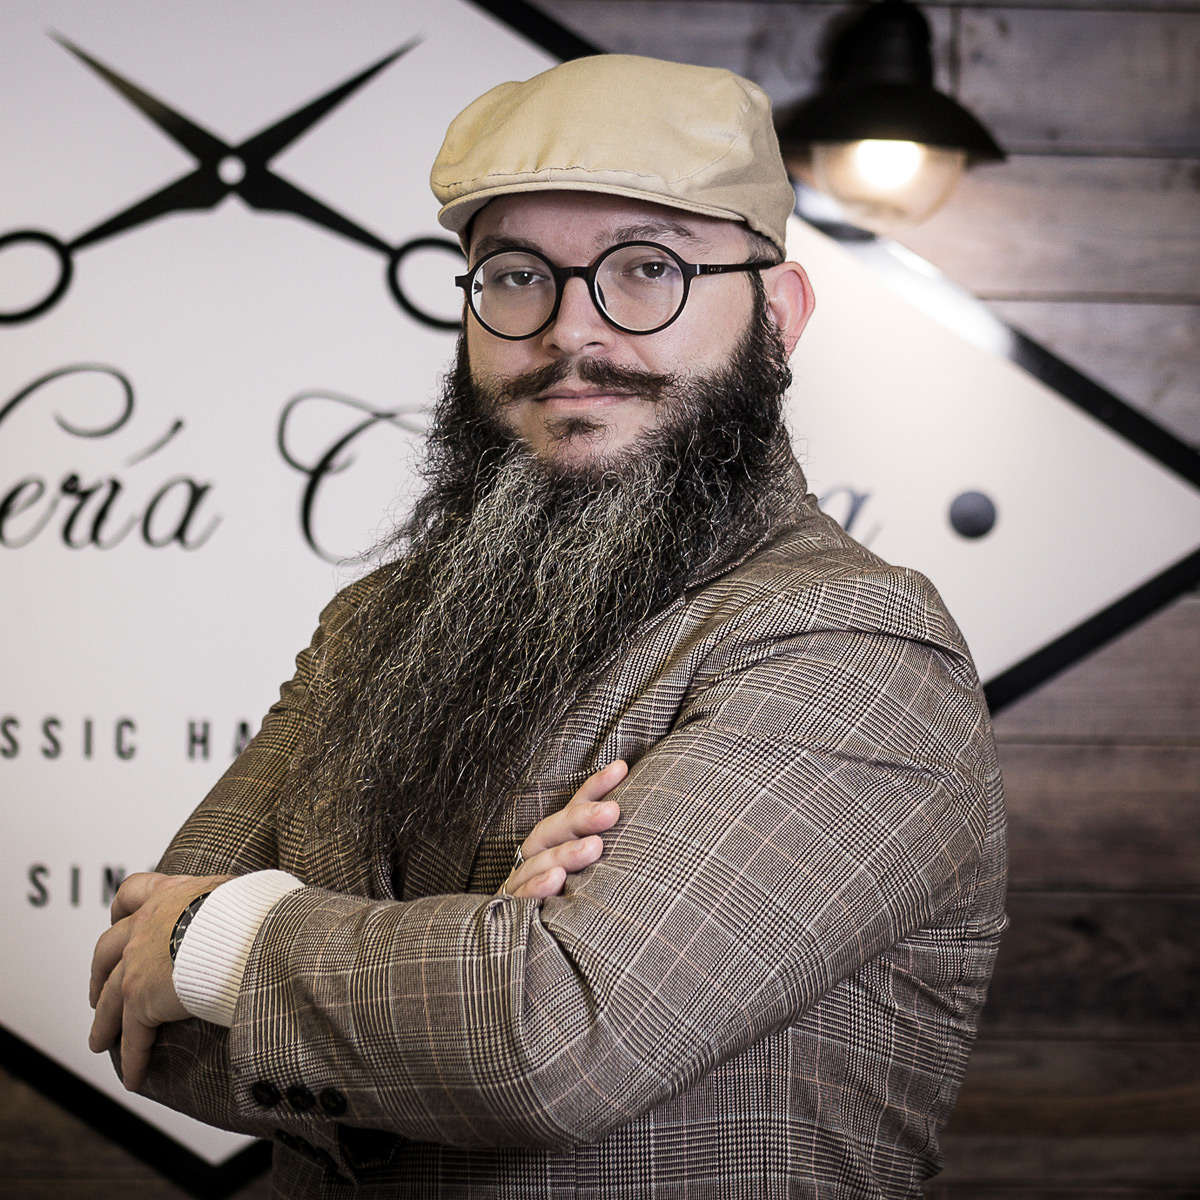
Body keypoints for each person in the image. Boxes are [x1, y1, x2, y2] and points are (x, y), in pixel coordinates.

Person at [88, 54, 1006, 1199]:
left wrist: (225, 941)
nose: (573, 332)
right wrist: (471, 956)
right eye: (517, 275)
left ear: (778, 314)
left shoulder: (852, 645)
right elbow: (141, 1014)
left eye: (648, 268)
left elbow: (544, 1044)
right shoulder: (376, 624)